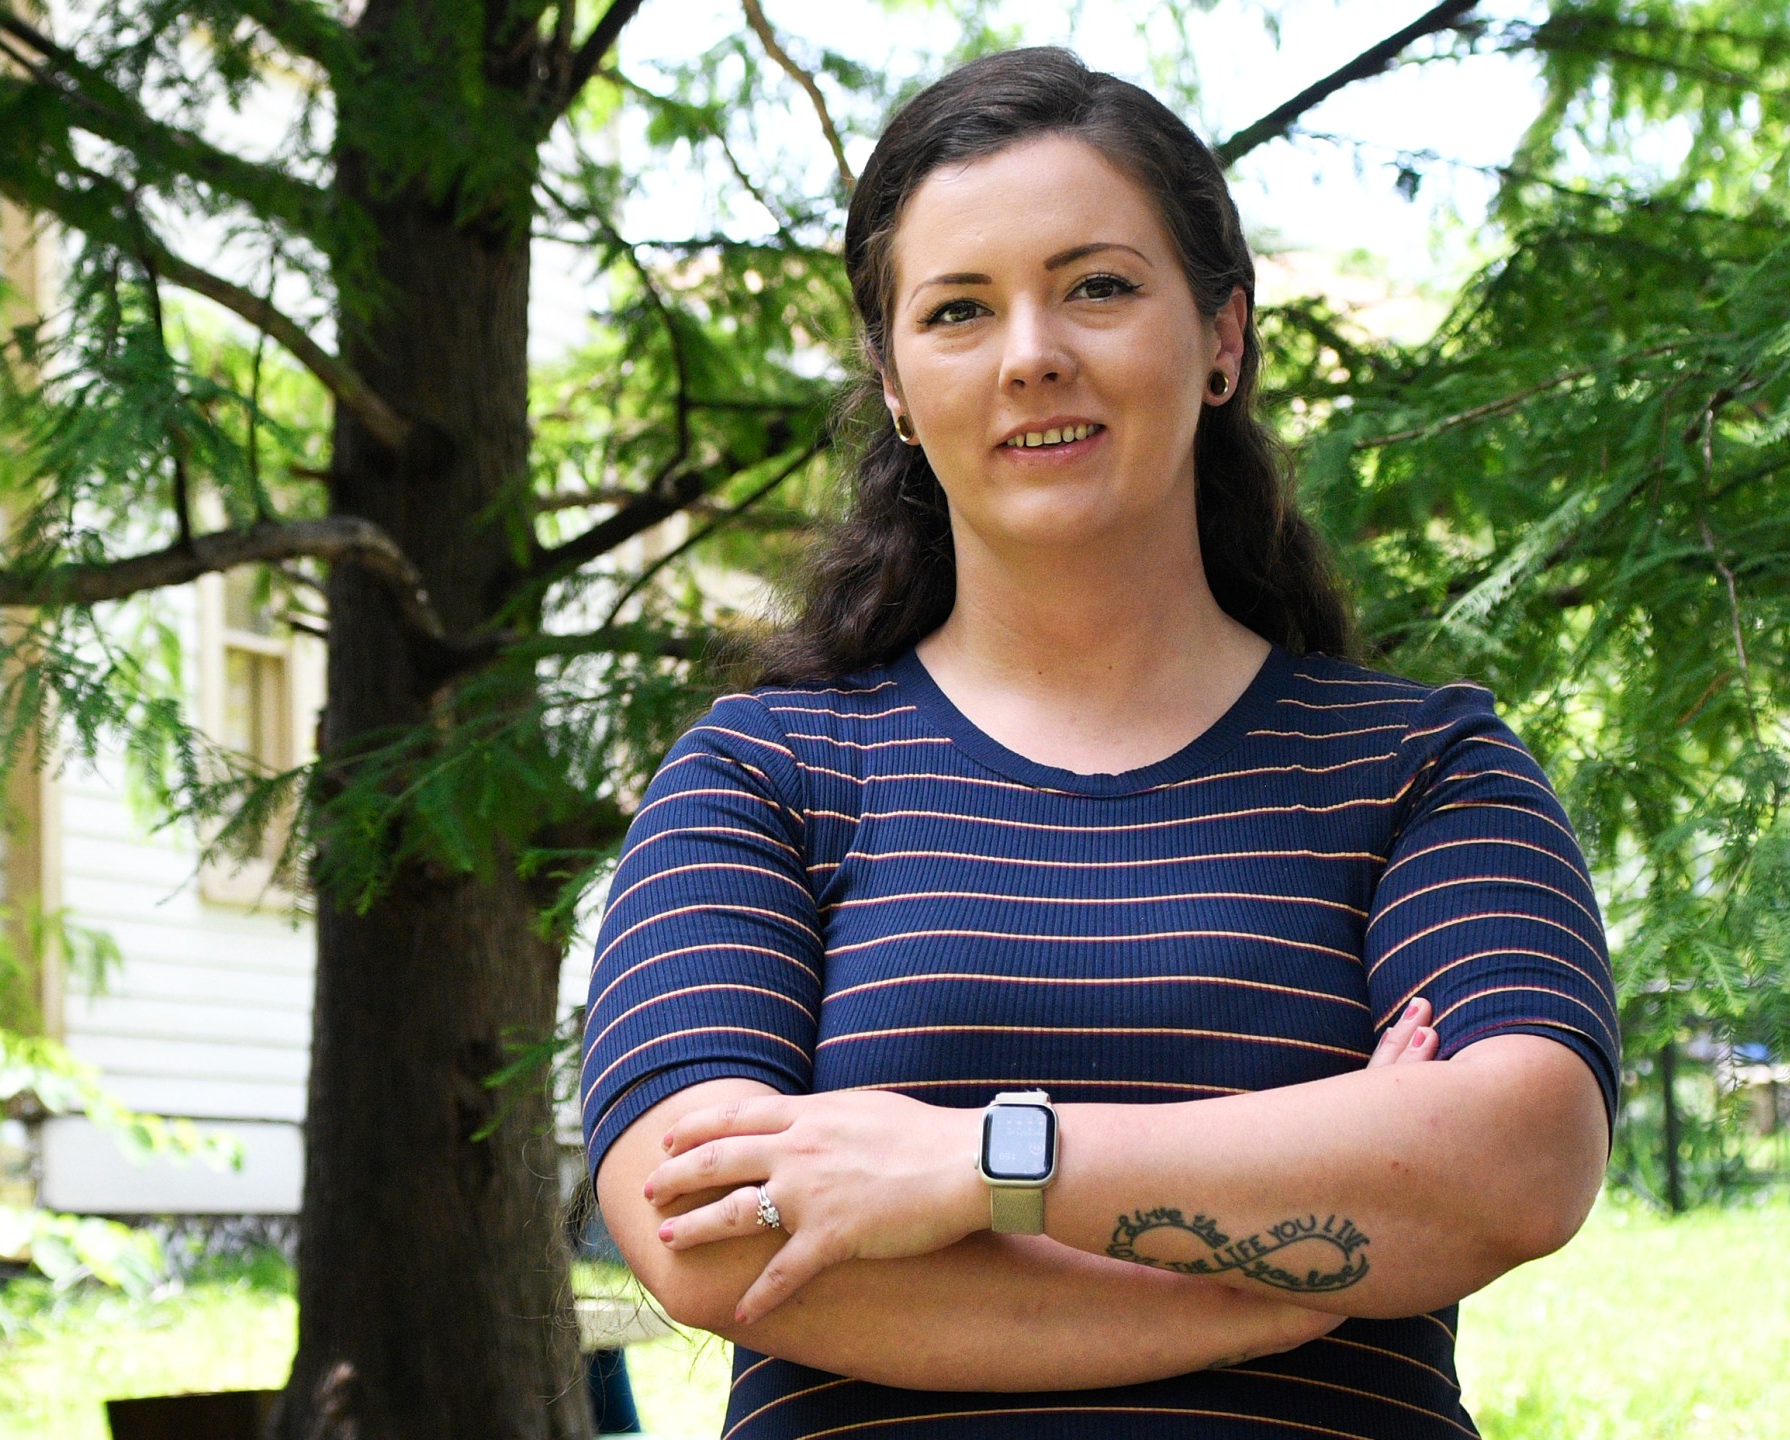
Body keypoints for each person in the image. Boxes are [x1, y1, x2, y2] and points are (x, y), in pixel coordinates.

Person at [578, 45, 1620, 1439]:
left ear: (1224, 339)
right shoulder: (758, 779)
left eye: (1100, 287)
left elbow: (1521, 1162)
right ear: (895, 384)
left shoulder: (1422, 769)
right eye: (959, 310)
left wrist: (981, 1164)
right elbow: (708, 1234)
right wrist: (1296, 1278)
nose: (1032, 354)